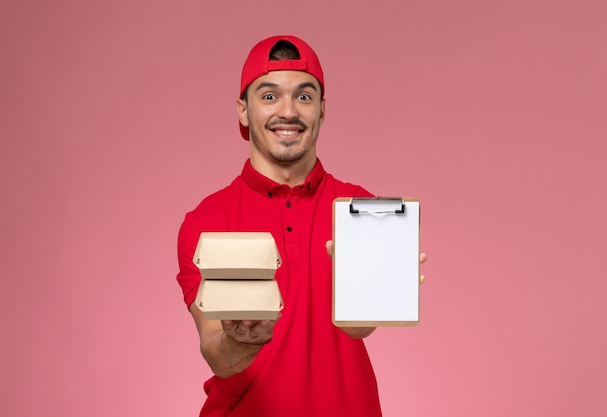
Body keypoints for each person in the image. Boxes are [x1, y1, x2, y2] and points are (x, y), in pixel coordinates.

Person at [176, 35, 427, 417]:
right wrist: (241, 340)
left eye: (304, 97)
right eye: (269, 96)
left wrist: (375, 303)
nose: (289, 112)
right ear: (243, 110)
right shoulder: (208, 222)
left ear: (322, 111)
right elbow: (217, 353)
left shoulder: (358, 209)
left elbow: (360, 328)